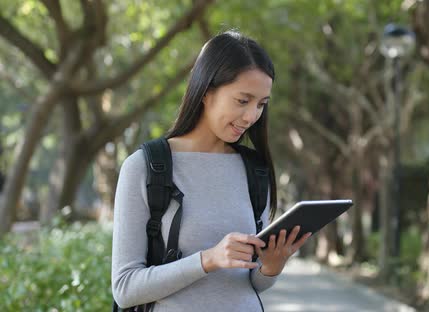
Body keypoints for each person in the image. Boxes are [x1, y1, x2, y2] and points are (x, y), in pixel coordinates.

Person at [111, 31, 312, 311]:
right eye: (243, 101)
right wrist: (207, 260)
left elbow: (252, 283)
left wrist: (271, 266)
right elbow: (125, 288)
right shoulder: (145, 168)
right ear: (206, 92)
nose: (252, 116)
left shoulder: (255, 170)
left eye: (261, 104)